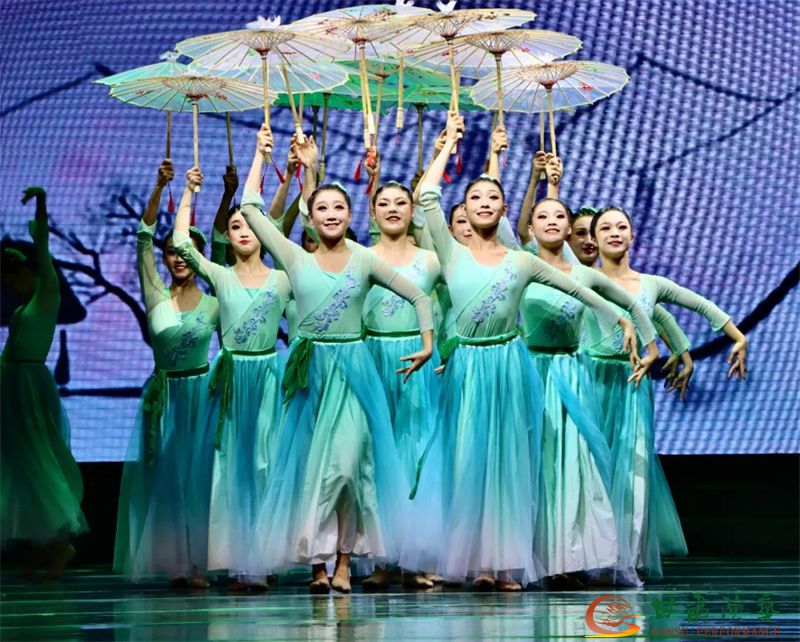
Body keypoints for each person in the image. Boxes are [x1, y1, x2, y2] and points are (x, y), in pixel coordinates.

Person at [416, 112, 637, 591]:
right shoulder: (451, 253)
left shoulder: (521, 260)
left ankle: (506, 564)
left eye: (492, 197)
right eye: (475, 198)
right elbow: (427, 195)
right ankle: (478, 561)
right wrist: (448, 144)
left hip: (509, 365)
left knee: (509, 464)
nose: (483, 204)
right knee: (469, 461)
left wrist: (620, 316)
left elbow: (576, 287)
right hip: (468, 367)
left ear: (504, 209)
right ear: (465, 210)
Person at [242, 125, 434, 594]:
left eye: (339, 208)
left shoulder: (364, 259)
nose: (330, 214)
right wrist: (261, 154)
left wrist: (428, 343)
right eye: (322, 208)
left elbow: (418, 295)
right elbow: (249, 209)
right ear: (310, 217)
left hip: (353, 371)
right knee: (311, 469)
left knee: (349, 469)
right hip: (309, 373)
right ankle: (317, 564)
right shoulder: (294, 257)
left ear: (351, 215)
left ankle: (345, 561)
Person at [584, 205, 749, 578]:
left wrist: (738, 337)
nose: (614, 233)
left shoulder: (651, 284)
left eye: (621, 227)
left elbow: (697, 305)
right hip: (591, 379)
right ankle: (591, 553)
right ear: (593, 239)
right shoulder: (584, 279)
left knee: (633, 467)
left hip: (633, 382)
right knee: (591, 468)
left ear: (632, 235)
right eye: (605, 228)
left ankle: (629, 557)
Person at [522, 196, 660, 587]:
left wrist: (651, 348)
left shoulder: (584, 274)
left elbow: (633, 306)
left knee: (572, 465)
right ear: (530, 228)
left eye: (559, 217)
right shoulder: (522, 265)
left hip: (569, 372)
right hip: (530, 372)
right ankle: (528, 557)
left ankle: (569, 557)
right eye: (542, 217)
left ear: (570, 229)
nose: (551, 222)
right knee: (534, 463)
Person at [173, 162, 291, 590]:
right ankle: (240, 562)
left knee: (265, 464)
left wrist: (298, 173)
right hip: (231, 379)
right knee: (230, 471)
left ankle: (265, 557)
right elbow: (181, 243)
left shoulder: (283, 278)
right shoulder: (220, 276)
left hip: (267, 377)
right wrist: (189, 192)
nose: (243, 231)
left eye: (249, 224)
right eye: (235, 225)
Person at [114, 160, 220, 587]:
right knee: (168, 482)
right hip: (165, 397)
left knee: (200, 480)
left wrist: (202, 192)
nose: (178, 258)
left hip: (203, 395)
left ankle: (200, 563)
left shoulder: (215, 301)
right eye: (173, 252)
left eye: (186, 251)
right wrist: (161, 187)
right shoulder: (155, 294)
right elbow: (143, 237)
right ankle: (176, 560)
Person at [1, 186, 88, 578]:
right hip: (15, 385)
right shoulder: (23, 308)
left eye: (12, 278)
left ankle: (58, 544)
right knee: (21, 465)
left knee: (38, 460)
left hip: (31, 387)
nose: (9, 287)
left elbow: (43, 249)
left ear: (26, 273)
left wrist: (41, 204)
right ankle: (39, 544)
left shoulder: (46, 295)